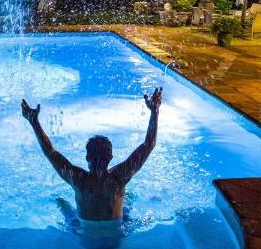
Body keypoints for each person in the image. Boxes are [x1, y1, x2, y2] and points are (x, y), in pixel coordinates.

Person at [21, 88, 162, 223]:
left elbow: (50, 152)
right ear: (111, 158)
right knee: (130, 199)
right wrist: (154, 111)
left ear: (87, 158)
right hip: (116, 236)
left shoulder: (78, 179)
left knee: (60, 201)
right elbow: (148, 145)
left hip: (84, 235)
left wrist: (34, 122)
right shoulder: (120, 177)